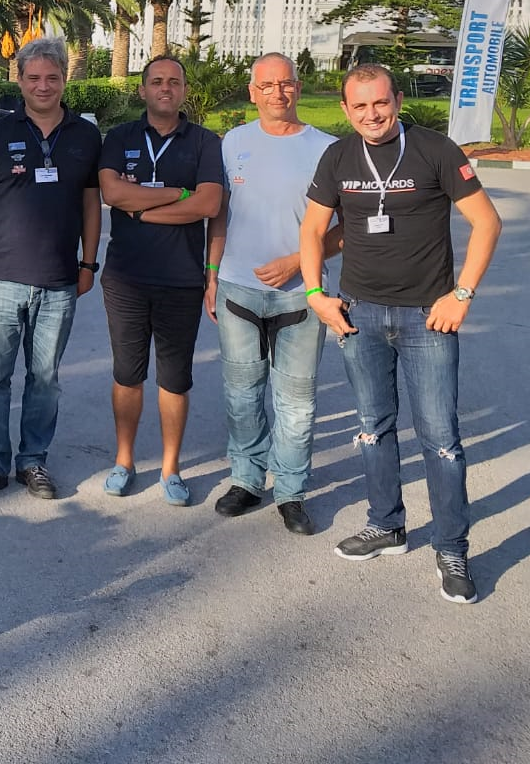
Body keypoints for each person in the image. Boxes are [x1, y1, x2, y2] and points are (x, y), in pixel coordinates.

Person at [300, 63, 502, 604]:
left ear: (398, 100)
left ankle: (451, 547)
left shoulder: (436, 150)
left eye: (380, 103)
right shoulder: (338, 157)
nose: (372, 115)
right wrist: (315, 293)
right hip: (358, 314)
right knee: (373, 427)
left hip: (426, 318)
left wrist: (461, 294)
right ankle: (386, 525)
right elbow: (313, 229)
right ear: (345, 109)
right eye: (360, 106)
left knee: (440, 439)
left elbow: (487, 222)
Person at [0, 36, 102, 503]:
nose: (43, 86)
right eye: (34, 77)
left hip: (59, 280)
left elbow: (91, 205)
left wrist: (88, 263)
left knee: (45, 379)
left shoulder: (85, 136)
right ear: (19, 80)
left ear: (64, 79)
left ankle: (32, 460)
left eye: (52, 77)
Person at [204, 53, 339, 535]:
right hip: (237, 289)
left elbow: (346, 229)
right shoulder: (233, 143)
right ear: (252, 92)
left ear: (298, 88)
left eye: (285, 84)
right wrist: (212, 272)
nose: (276, 93)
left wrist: (296, 262)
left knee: (296, 400)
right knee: (242, 394)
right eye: (266, 85)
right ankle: (246, 479)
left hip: (302, 294)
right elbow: (221, 212)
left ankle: (291, 490)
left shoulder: (327, 149)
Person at [96, 56, 223, 506]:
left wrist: (142, 210)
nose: (165, 88)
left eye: (173, 82)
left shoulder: (205, 142)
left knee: (175, 379)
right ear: (142, 90)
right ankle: (124, 461)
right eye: (156, 81)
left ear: (184, 90)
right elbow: (112, 192)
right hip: (125, 279)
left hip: (181, 280)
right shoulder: (120, 137)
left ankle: (171, 468)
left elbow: (209, 205)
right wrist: (179, 194)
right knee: (127, 374)